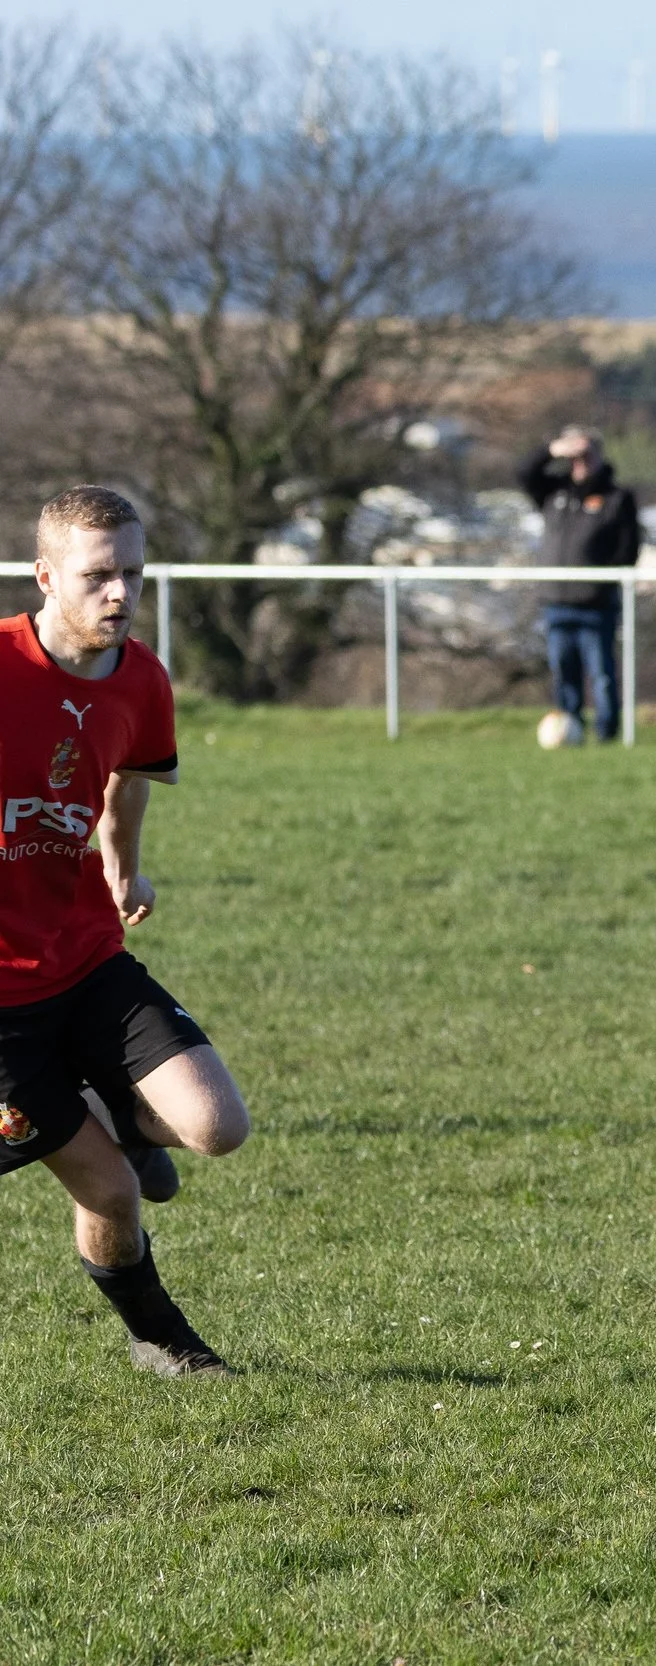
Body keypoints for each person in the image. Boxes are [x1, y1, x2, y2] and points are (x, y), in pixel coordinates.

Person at [0, 486, 253, 1377]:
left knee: (219, 1126)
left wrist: (122, 864)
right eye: (99, 575)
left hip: (86, 959)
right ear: (44, 577)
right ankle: (162, 1342)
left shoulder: (141, 676)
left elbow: (131, 776)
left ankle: (115, 1114)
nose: (120, 593)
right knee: (107, 1189)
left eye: (133, 575)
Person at [519, 427, 642, 743]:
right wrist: (551, 450)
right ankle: (569, 728)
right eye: (575, 456)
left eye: (587, 455)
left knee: (601, 673)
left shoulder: (617, 498)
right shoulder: (554, 493)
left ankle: (607, 732)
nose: (581, 462)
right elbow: (523, 473)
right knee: (563, 670)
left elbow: (628, 549)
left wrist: (602, 583)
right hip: (557, 600)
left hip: (595, 603)